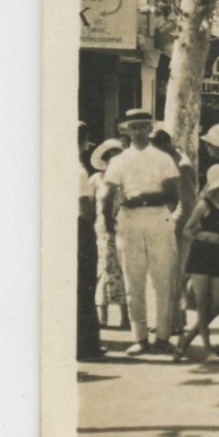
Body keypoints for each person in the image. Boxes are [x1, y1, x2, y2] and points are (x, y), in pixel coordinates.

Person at [100, 109, 182, 356]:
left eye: (143, 126)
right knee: (133, 281)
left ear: (150, 129)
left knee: (162, 279)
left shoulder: (163, 158)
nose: (138, 131)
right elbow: (107, 195)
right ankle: (140, 338)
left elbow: (173, 195)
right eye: (133, 127)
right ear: (125, 130)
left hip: (158, 218)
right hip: (129, 221)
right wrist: (108, 223)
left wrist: (144, 196)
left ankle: (163, 337)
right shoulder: (118, 161)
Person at [174, 162, 219, 363]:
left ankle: (187, 340)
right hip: (202, 256)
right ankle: (207, 350)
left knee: (217, 303)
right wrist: (205, 235)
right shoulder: (204, 205)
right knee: (203, 304)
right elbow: (187, 230)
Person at [150, 127, 199, 332]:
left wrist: (174, 226)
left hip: (179, 227)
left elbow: (188, 203)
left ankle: (174, 322)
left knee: (174, 275)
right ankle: (173, 319)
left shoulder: (181, 165)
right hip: (168, 224)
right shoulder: (171, 161)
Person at [89, 138, 128, 331]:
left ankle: (125, 318)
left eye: (117, 155)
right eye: (111, 155)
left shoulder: (126, 178)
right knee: (103, 269)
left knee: (123, 270)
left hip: (123, 228)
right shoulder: (96, 179)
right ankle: (102, 317)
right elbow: (89, 204)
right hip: (103, 229)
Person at [76, 124, 104, 362]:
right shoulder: (80, 171)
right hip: (79, 228)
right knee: (85, 286)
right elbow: (85, 208)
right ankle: (86, 346)